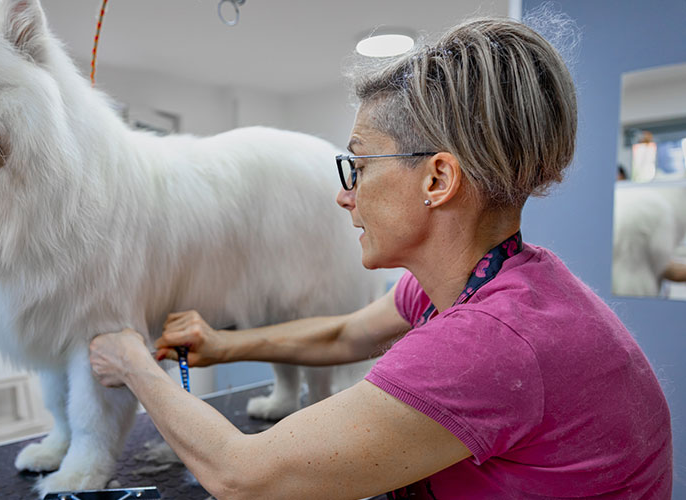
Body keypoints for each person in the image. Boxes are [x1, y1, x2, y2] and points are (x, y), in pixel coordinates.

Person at [89, 16, 673, 499]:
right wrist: (222, 344)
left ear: (438, 178)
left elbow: (243, 477)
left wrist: (133, 361)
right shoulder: (499, 278)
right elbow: (345, 335)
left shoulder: (488, 343)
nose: (345, 195)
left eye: (360, 167)